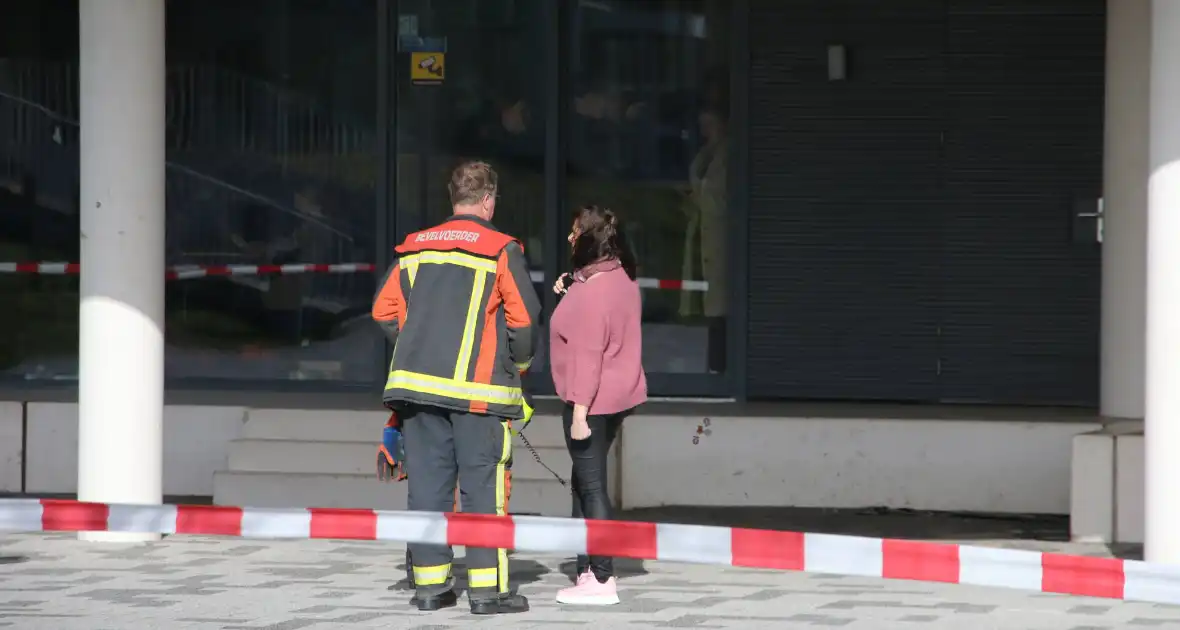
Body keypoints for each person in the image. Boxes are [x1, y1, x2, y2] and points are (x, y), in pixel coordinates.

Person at [371, 160, 541, 615]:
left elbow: (384, 310)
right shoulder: (500, 248)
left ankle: (431, 588)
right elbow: (524, 320)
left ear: (454, 197)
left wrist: (419, 342)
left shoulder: (415, 247)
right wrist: (516, 364)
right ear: (488, 199)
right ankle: (487, 594)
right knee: (484, 491)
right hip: (479, 395)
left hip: (417, 392)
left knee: (427, 488)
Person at [549, 205, 648, 606]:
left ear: (589, 240)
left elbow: (589, 353)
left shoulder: (595, 291)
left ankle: (601, 578)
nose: (570, 238)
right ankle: (587, 570)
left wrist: (578, 413)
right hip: (617, 397)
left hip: (591, 401)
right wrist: (572, 284)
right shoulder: (618, 277)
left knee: (590, 488)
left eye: (575, 233)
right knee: (584, 485)